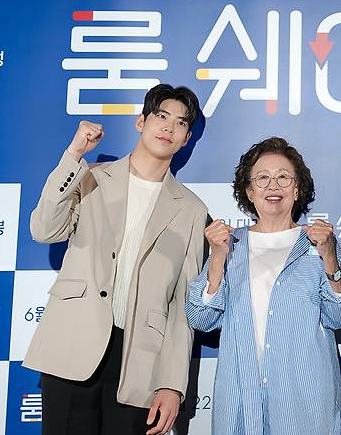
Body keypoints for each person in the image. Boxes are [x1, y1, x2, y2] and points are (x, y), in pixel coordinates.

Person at [23, 84, 208, 435]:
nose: (169, 127)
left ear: (186, 139)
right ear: (141, 122)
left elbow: (183, 303)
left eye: (181, 123)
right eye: (161, 116)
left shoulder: (193, 210)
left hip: (140, 359)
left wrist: (171, 383)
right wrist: (73, 155)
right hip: (73, 342)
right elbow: (44, 230)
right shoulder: (91, 176)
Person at [186, 137, 341, 434]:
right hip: (241, 398)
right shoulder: (230, 245)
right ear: (249, 191)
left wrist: (330, 257)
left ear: (297, 189)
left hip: (304, 400)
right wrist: (216, 258)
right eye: (262, 178)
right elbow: (201, 318)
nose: (273, 186)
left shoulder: (318, 243)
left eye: (283, 177)